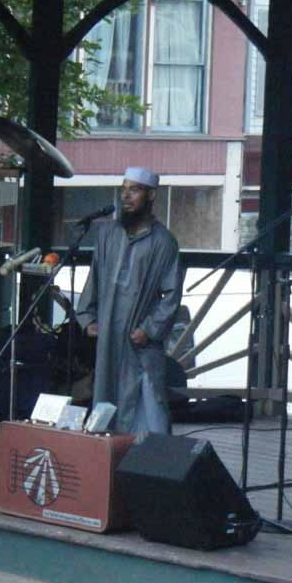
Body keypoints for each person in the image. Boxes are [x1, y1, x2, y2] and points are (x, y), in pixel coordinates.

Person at [77, 166, 183, 435]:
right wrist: (88, 318)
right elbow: (95, 280)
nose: (126, 196)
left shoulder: (164, 242)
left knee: (146, 408)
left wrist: (148, 330)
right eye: (123, 190)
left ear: (151, 195)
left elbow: (171, 295)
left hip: (138, 342)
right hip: (108, 337)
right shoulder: (107, 234)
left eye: (134, 190)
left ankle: (150, 466)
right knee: (105, 399)